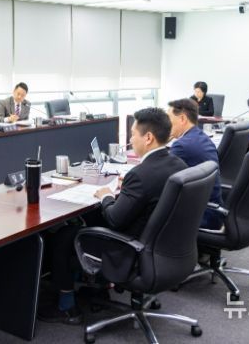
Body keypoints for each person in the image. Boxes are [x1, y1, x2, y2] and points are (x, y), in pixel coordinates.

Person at [38, 107, 187, 324]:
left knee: (65, 235)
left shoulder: (141, 174)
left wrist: (107, 195)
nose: (130, 140)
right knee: (91, 219)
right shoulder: (178, 164)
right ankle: (98, 289)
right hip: (166, 248)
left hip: (134, 251)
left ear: (148, 137)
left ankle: (67, 308)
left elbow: (115, 219)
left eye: (133, 134)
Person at [167, 98, 224, 229]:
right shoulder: (201, 137)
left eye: (169, 119)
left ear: (182, 119)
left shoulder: (181, 146)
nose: (167, 124)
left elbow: (162, 180)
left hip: (201, 215)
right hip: (214, 209)